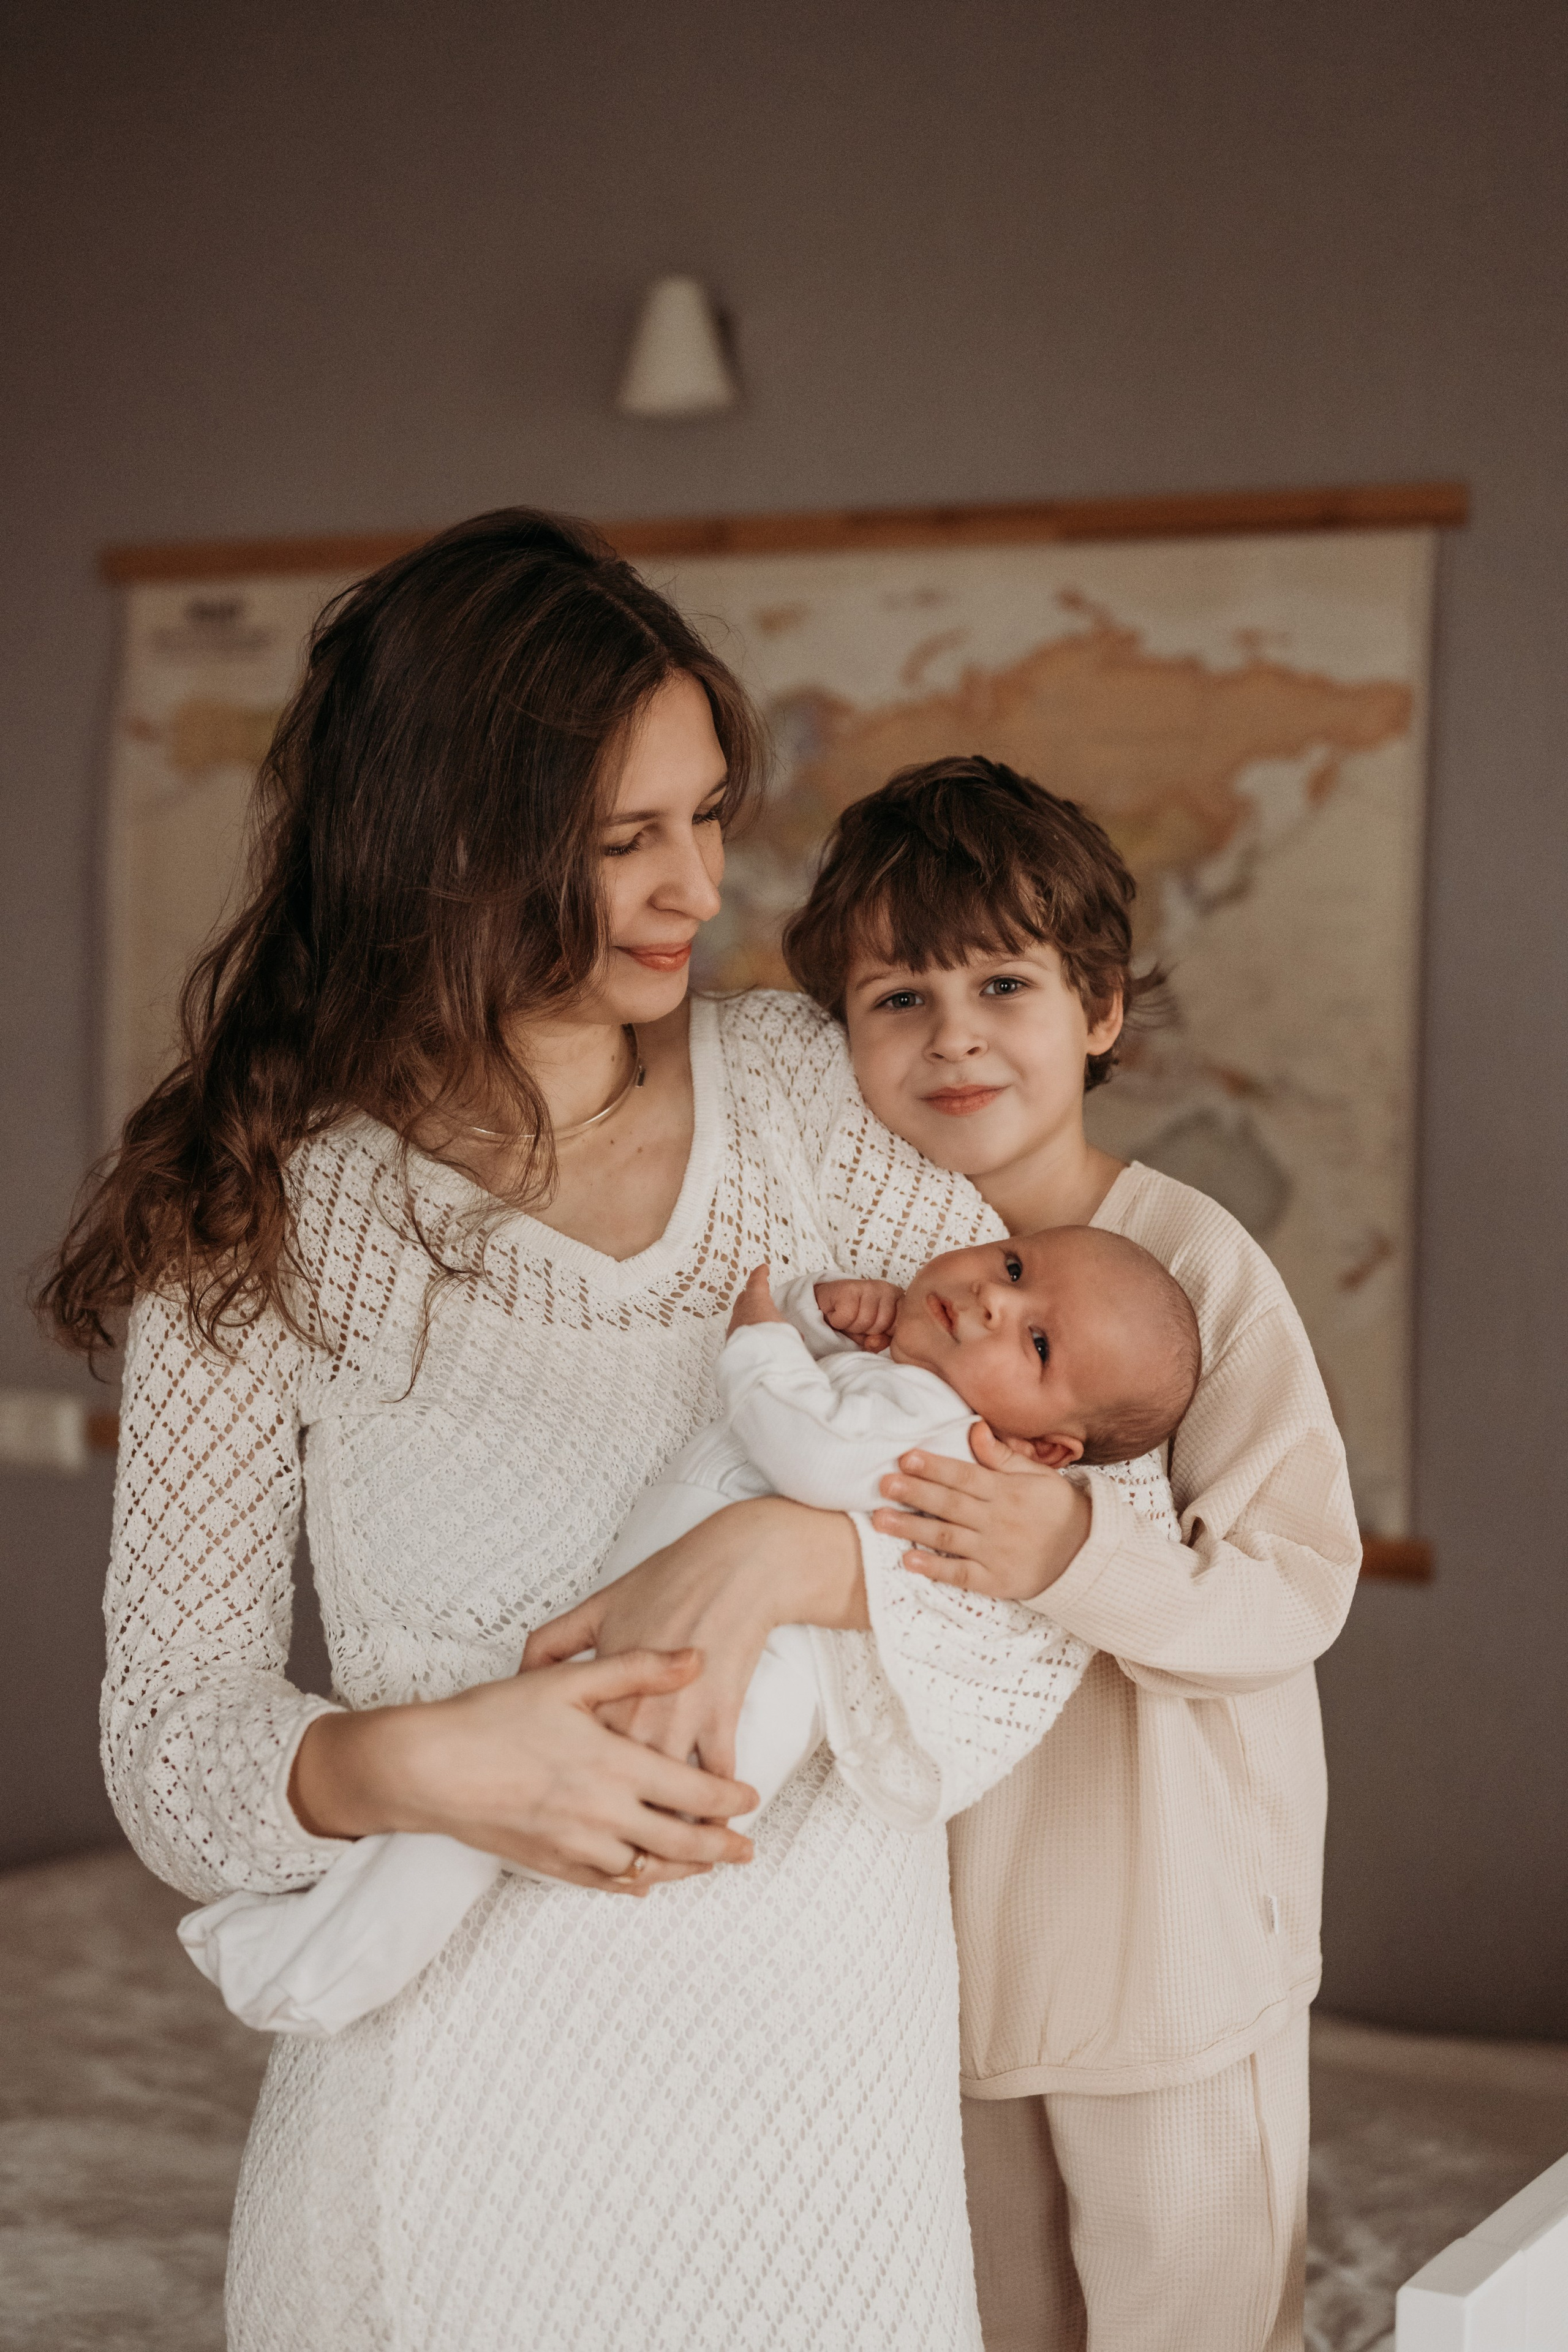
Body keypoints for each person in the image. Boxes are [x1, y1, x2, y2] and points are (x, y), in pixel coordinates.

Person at [39, 513, 1096, 2352]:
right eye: (627, 843)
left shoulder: (819, 1105)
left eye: (705, 816)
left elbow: (1038, 1609)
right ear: (451, 854)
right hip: (435, 2154)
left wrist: (802, 1554)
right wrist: (419, 1768)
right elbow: (172, 1747)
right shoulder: (261, 1216)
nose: (699, 888)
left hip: (821, 2145)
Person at [774, 755, 1363, 2352]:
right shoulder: (868, 1280)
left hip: (1167, 1936)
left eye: (1002, 982)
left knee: (1190, 2310)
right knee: (981, 2312)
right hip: (939, 1959)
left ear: (1098, 1009)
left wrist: (1071, 1551)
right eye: (896, 994)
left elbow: (1294, 1583)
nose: (952, 1032)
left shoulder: (1192, 1260)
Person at [178, 1229, 1194, 2038]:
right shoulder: (914, 1377)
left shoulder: (952, 1441)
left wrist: (763, 1338)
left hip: (711, 1704)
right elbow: (848, 1389)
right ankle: (302, 1950)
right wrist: (835, 1312)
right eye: (1014, 1268)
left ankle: (302, 1974)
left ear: (1043, 1446)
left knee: (468, 1828)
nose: (992, 1300)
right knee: (461, 1825)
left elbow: (816, 1456)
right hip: (669, 1667)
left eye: (1038, 1342)